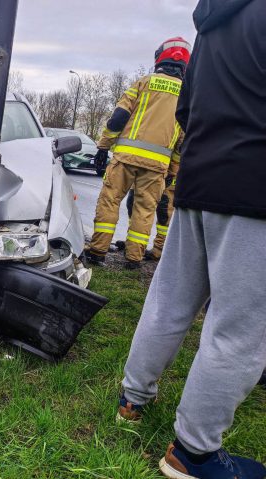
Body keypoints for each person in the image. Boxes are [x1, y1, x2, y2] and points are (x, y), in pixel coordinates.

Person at [119, 0, 266, 477]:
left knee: (169, 299)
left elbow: (187, 104)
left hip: (201, 179)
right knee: (239, 329)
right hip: (255, 186)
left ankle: (131, 401)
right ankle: (193, 453)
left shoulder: (214, 22)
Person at [85, 37, 188, 269]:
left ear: (160, 57)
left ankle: (97, 252)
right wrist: (172, 170)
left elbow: (118, 118)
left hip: (125, 159)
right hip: (158, 166)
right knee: (145, 210)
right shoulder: (186, 95)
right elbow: (182, 141)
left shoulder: (143, 83)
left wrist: (103, 146)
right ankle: (133, 259)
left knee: (110, 201)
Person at [124, 174, 177, 261]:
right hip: (144, 170)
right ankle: (131, 245)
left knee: (164, 212)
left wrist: (171, 173)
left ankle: (158, 249)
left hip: (167, 173)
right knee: (132, 203)